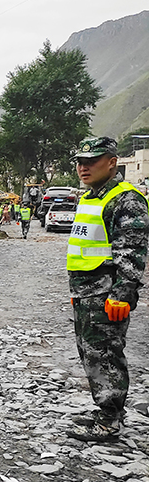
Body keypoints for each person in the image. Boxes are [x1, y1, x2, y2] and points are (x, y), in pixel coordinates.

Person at [66, 137, 149, 443]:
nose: (83, 167)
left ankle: (109, 421)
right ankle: (106, 410)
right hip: (86, 292)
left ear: (112, 162)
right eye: (80, 161)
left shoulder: (126, 200)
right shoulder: (91, 197)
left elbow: (132, 251)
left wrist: (122, 294)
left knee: (105, 355)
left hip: (106, 295)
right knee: (91, 354)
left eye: (91, 161)